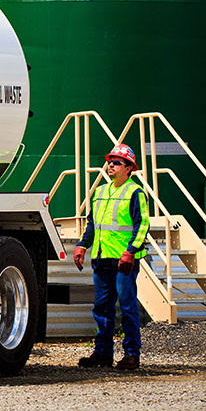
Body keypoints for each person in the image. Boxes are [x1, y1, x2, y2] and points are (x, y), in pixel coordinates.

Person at [73, 143, 150, 370]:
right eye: (110, 161)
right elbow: (92, 224)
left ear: (129, 168)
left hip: (123, 260)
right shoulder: (99, 192)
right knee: (101, 308)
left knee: (127, 307)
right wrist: (81, 245)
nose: (111, 165)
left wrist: (130, 252)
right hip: (102, 257)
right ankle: (103, 354)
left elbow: (142, 224)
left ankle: (132, 355)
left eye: (117, 162)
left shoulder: (135, 192)